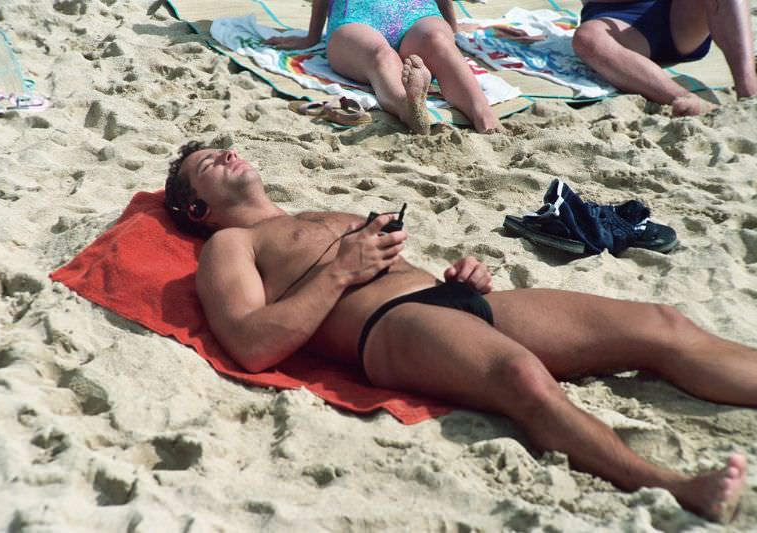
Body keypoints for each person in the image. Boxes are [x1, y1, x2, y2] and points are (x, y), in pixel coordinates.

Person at [164, 141, 755, 523]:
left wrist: (465, 274)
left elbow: (392, 268)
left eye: (226, 148)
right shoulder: (229, 245)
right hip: (390, 329)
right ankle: (678, 488)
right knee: (520, 377)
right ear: (198, 209)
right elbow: (250, 342)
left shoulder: (316, 213)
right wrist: (342, 268)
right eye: (209, 164)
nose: (228, 154)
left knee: (661, 323)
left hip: (451, 299)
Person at [264, 0, 501, 134]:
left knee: (437, 42)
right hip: (362, 17)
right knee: (382, 55)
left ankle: (482, 113)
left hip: (411, 12)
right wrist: (311, 37)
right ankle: (412, 108)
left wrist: (453, 30)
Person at [572, 0, 757, 116]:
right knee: (587, 38)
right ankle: (682, 97)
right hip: (614, 20)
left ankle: (748, 89)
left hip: (676, 15)